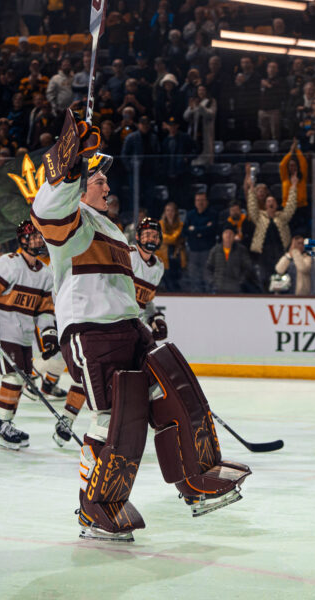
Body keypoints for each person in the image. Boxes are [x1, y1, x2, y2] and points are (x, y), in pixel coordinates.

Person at [31, 117, 249, 543]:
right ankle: (95, 508)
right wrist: (70, 162)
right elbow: (45, 209)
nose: (107, 188)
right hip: (92, 333)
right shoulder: (71, 222)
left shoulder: (109, 227)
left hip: (129, 327)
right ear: (78, 187)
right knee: (114, 420)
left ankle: (196, 479)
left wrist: (148, 310)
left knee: (174, 394)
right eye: (98, 181)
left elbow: (138, 286)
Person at [52, 217, 167, 449]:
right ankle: (67, 418)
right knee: (94, 377)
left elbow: (147, 300)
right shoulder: (129, 255)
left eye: (154, 236)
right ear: (138, 237)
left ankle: (143, 424)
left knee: (138, 376)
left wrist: (156, 317)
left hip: (133, 327)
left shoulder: (159, 267)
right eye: (146, 235)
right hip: (112, 323)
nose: (150, 239)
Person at [0, 221, 67, 450]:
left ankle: (6, 423)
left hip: (24, 335)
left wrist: (48, 335)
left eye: (39, 237)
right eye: (32, 237)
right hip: (4, 331)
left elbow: (44, 310)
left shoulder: (45, 273)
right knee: (13, 379)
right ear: (22, 240)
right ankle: (3, 426)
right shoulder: (9, 263)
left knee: (21, 379)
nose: (37, 241)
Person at [246, 167, 299, 290]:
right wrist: (251, 189)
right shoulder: (259, 217)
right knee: (265, 277)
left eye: (273, 201)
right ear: (265, 205)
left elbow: (291, 205)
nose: (270, 203)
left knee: (280, 276)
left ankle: (279, 295)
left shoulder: (282, 217)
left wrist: (294, 186)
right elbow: (252, 206)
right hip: (264, 252)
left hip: (280, 250)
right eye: (268, 202)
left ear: (276, 205)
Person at [206, 225, 255, 294]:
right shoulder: (215, 250)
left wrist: (241, 282)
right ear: (222, 235)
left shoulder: (241, 250)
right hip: (218, 287)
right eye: (226, 233)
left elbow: (248, 267)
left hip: (235, 288)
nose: (228, 235)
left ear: (234, 236)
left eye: (231, 233)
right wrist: (212, 282)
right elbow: (208, 268)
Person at [183, 192, 216, 293]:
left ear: (206, 202)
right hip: (193, 251)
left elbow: (213, 229)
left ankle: (209, 297)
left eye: (202, 200)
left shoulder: (213, 214)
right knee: (194, 277)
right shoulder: (190, 215)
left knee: (207, 277)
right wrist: (204, 228)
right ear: (195, 202)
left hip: (208, 250)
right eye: (198, 200)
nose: (200, 202)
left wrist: (194, 229)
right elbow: (185, 231)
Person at [155, 201, 186, 291]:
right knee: (167, 284)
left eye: (172, 211)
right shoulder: (160, 224)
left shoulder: (180, 225)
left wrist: (169, 238)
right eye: (167, 210)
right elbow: (168, 238)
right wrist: (172, 238)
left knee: (176, 284)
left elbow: (173, 238)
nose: (170, 213)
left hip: (177, 258)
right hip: (163, 258)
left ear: (175, 212)